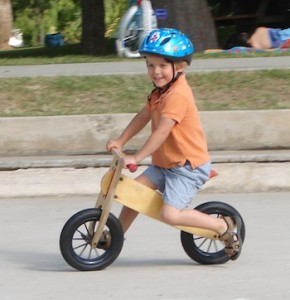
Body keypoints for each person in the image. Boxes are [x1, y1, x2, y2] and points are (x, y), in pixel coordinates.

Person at [102, 28, 242, 260]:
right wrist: (120, 140)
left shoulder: (178, 95)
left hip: (186, 168)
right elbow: (143, 116)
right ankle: (116, 236)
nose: (156, 72)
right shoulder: (160, 92)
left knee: (171, 215)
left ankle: (222, 227)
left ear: (181, 66)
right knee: (134, 194)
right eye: (150, 65)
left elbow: (162, 133)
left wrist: (136, 157)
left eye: (163, 66)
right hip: (165, 164)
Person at [224, 27, 290, 50]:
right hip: (283, 35)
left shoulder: (256, 47)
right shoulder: (258, 30)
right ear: (243, 34)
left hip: (281, 42)